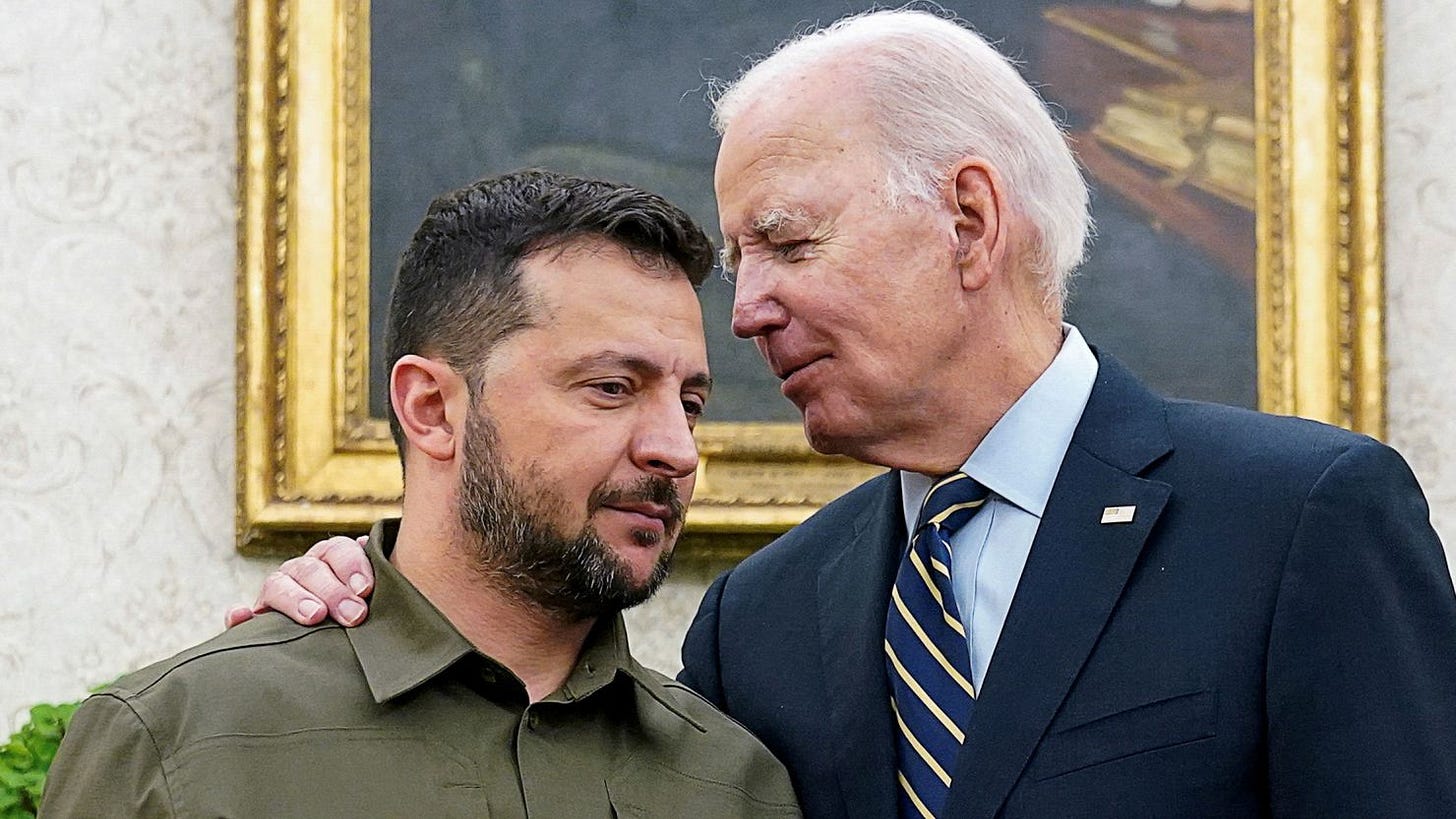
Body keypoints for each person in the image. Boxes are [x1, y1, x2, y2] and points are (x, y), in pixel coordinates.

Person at [235, 10, 1456, 818]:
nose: (747, 312)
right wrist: (367, 599)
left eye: (788, 244)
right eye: (740, 264)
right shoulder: (760, 619)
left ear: (968, 221)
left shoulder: (1299, 522)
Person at [42, 170, 800, 817]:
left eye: (690, 404)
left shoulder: (734, 784)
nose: (677, 450)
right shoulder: (182, 744)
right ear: (432, 408)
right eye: (611, 387)